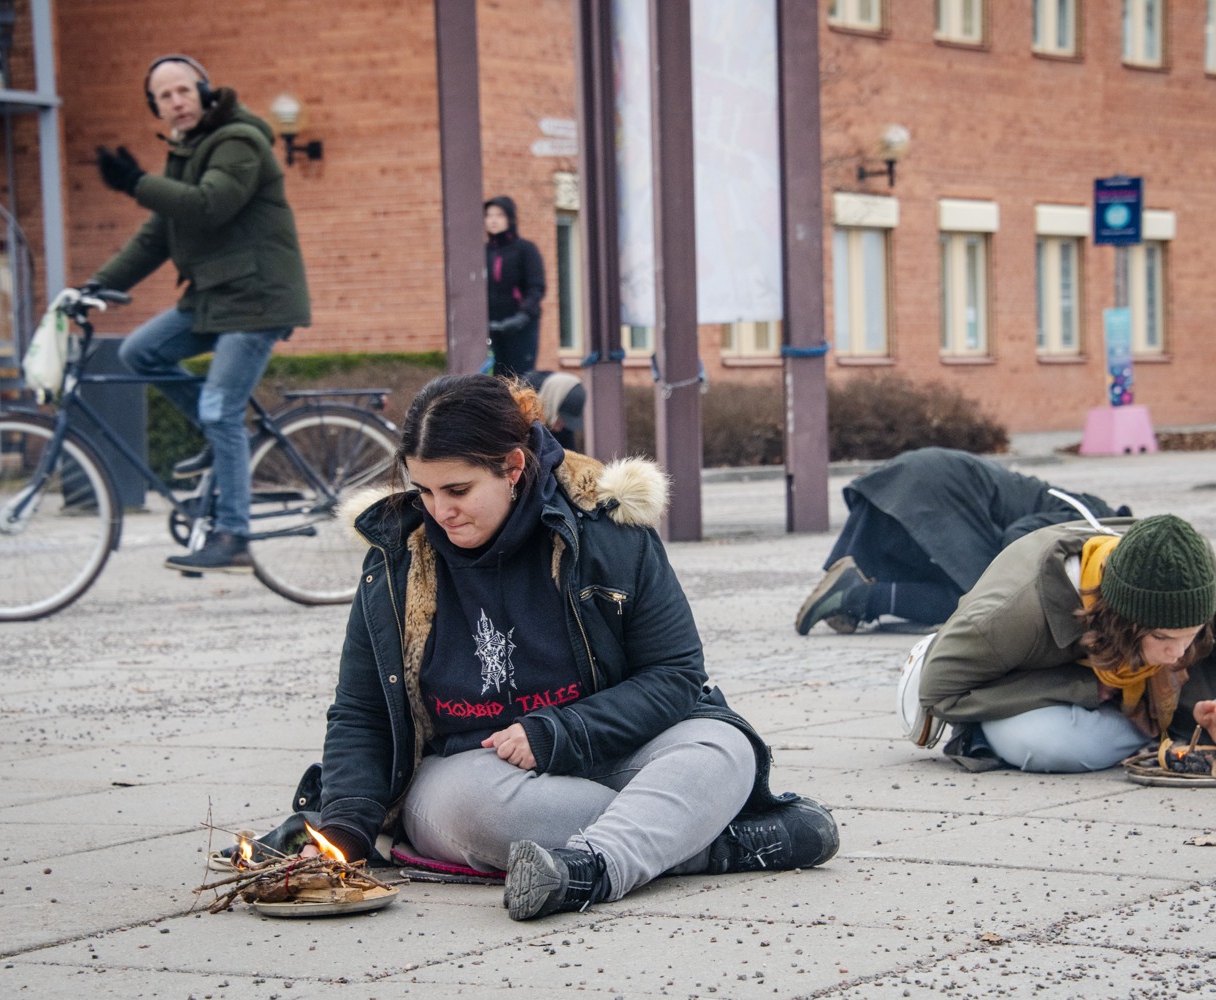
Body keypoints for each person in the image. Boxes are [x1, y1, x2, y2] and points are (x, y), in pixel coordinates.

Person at [307, 373, 837, 920]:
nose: (439, 511)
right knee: (456, 810)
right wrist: (342, 830)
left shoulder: (608, 529)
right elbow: (361, 710)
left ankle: (590, 869)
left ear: (513, 468)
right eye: (424, 490)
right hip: (482, 775)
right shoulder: (396, 558)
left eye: (458, 490)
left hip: (619, 748)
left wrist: (558, 731)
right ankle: (703, 843)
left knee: (723, 751)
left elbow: (675, 674)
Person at [87, 54, 310, 573]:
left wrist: (134, 183)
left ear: (206, 91)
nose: (176, 102)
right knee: (139, 351)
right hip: (214, 297)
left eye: (184, 90)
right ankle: (222, 441)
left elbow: (210, 204)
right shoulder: (186, 151)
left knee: (218, 408)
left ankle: (234, 538)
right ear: (156, 107)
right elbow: (158, 234)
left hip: (257, 298)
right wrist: (96, 288)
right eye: (164, 96)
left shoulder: (238, 140)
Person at [912, 514, 1216, 773]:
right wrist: (1081, 688)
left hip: (1149, 688)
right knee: (1045, 746)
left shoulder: (1202, 577)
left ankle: (1215, 710)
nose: (1179, 653)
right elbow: (938, 691)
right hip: (1035, 682)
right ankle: (1169, 728)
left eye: (1193, 633)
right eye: (1163, 637)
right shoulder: (1007, 616)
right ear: (1119, 618)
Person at [796, 448, 1127, 635]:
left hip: (914, 474)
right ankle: (859, 596)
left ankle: (849, 592)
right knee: (974, 600)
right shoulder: (1085, 516)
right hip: (940, 486)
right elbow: (1019, 539)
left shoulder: (1059, 499)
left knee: (952, 573)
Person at [485, 196, 546, 379]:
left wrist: (522, 316)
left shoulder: (525, 249)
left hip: (520, 328)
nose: (493, 220)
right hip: (491, 328)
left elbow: (536, 287)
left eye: (499, 215)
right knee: (493, 381)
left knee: (519, 380)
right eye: (489, 215)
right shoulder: (483, 252)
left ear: (510, 219)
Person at [521, 370, 586, 452]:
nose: (562, 426)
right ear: (554, 403)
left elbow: (570, 450)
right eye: (562, 418)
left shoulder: (561, 420)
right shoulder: (523, 404)